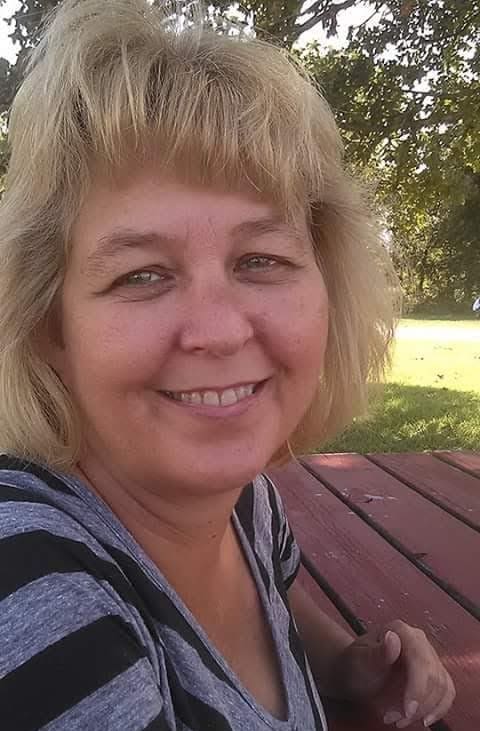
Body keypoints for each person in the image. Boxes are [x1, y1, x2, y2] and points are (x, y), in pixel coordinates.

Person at [0, 1, 455, 729]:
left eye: (260, 260)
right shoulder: (37, 590)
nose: (217, 331)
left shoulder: (246, 505)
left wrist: (344, 664)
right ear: (50, 325)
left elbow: (277, 598)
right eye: (142, 274)